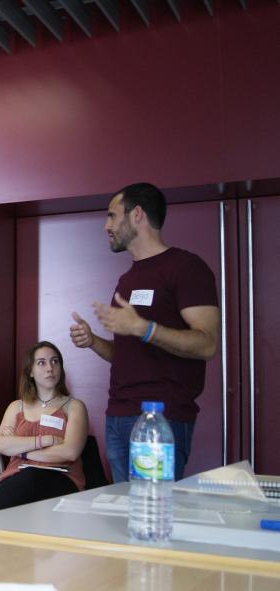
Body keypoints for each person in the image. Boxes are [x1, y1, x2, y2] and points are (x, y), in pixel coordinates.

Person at [70, 182, 218, 482]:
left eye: (112, 215)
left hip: (160, 419)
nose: (106, 226)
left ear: (137, 214)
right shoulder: (128, 279)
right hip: (118, 417)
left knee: (152, 506)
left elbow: (207, 344)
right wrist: (93, 341)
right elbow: (127, 354)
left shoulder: (186, 268)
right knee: (126, 508)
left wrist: (144, 328)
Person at [0, 341, 88, 513]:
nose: (50, 368)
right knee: (24, 481)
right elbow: (0, 446)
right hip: (16, 477)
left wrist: (21, 452)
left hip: (61, 478)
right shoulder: (16, 407)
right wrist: (46, 440)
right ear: (30, 371)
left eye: (54, 361)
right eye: (41, 363)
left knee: (30, 476)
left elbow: (69, 452)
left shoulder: (74, 407)